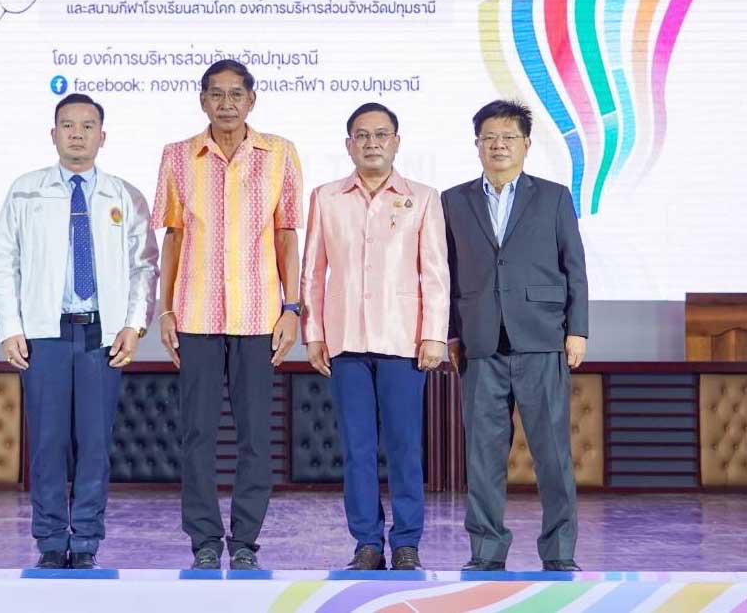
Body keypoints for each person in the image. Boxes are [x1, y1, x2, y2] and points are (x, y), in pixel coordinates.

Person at [0, 93, 158, 570]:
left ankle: (85, 540)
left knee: (95, 444)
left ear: (103, 136)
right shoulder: (26, 191)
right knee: (47, 443)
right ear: (53, 134)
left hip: (101, 336)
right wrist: (10, 328)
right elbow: (3, 262)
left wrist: (133, 324)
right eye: (68, 125)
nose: (77, 134)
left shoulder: (124, 195)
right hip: (44, 335)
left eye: (87, 126)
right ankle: (49, 539)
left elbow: (144, 266)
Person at [150, 59, 303, 570]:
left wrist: (292, 307)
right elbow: (173, 236)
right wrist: (165, 308)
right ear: (202, 101)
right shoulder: (178, 155)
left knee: (256, 437)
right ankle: (204, 540)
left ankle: (244, 542)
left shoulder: (279, 153)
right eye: (216, 94)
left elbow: (286, 235)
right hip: (195, 316)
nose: (226, 104)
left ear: (252, 100)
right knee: (197, 435)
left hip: (259, 317)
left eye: (236, 94)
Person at [300, 102, 449, 571]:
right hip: (345, 341)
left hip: (403, 341)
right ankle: (366, 542)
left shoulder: (423, 197)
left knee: (405, 446)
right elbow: (312, 272)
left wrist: (434, 335)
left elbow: (435, 273)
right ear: (349, 145)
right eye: (362, 136)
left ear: (396, 143)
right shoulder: (326, 197)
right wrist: (313, 333)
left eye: (381, 134)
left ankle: (406, 543)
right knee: (357, 449)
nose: (372, 143)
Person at [442, 99, 588, 572]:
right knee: (483, 457)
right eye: (489, 137)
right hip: (481, 342)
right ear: (477, 145)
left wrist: (578, 329)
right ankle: (486, 551)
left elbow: (575, 267)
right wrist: (451, 333)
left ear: (526, 144)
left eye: (508, 137)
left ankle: (560, 551)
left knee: (552, 455)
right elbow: (446, 274)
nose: (498, 145)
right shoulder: (453, 200)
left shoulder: (554, 197)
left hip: (542, 338)